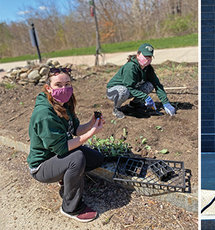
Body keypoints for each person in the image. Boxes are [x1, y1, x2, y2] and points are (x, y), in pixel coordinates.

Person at [27, 67, 105, 222]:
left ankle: (66, 176)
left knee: (97, 159)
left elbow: (75, 129)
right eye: (58, 85)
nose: (64, 88)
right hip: (41, 166)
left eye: (67, 84)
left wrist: (91, 123)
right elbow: (62, 147)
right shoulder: (44, 114)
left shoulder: (65, 102)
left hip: (57, 155)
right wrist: (91, 133)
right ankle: (71, 208)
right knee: (77, 158)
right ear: (49, 88)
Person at [106, 43, 176, 119]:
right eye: (145, 56)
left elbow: (157, 84)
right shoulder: (131, 67)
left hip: (129, 90)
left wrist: (166, 103)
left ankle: (134, 105)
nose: (147, 59)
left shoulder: (148, 68)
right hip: (113, 91)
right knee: (123, 90)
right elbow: (129, 87)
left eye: (149, 57)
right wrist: (145, 97)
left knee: (149, 85)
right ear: (138, 54)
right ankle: (116, 109)